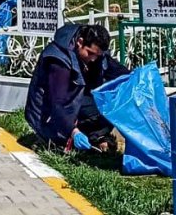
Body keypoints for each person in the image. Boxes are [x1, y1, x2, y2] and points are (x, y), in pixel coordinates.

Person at [26, 23, 131, 153]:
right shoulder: (59, 61)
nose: (93, 59)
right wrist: (74, 132)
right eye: (90, 53)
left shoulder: (96, 55)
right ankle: (52, 139)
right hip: (48, 112)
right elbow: (57, 104)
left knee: (112, 105)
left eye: (97, 56)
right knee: (59, 142)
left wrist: (136, 77)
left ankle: (95, 136)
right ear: (80, 42)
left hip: (75, 102)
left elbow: (117, 71)